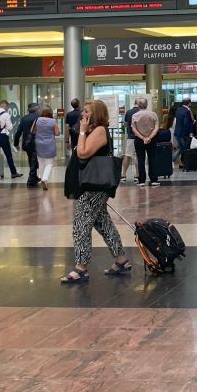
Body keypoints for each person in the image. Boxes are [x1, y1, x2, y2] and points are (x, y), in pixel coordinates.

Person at [60, 100, 131, 284]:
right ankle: (121, 259)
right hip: (92, 184)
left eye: (86, 112)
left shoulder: (99, 130)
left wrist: (82, 131)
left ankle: (81, 268)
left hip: (94, 185)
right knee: (102, 223)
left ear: (96, 114)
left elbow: (83, 153)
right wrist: (82, 130)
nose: (82, 114)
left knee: (81, 224)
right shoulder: (94, 130)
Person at [130, 97, 159, 186]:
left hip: (139, 140)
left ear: (138, 105)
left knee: (140, 159)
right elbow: (156, 127)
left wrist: (143, 138)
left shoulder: (135, 116)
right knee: (153, 159)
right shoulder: (154, 114)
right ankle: (154, 180)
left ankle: (142, 180)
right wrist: (149, 137)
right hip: (152, 139)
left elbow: (134, 129)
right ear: (147, 104)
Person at [12, 102, 40, 187]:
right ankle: (31, 179)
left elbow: (18, 132)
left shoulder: (24, 118)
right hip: (36, 141)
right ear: (36, 108)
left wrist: (16, 143)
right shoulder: (39, 117)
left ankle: (34, 177)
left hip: (27, 143)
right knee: (34, 159)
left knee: (31, 158)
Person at [30, 107, 58, 190]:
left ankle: (41, 177)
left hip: (39, 143)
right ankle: (44, 178)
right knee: (49, 163)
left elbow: (32, 131)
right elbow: (57, 133)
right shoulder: (52, 121)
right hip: (49, 143)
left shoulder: (37, 120)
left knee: (41, 161)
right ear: (50, 114)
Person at [121, 100, 140, 183]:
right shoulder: (141, 112)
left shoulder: (128, 112)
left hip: (131, 136)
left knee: (127, 155)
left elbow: (125, 124)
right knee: (138, 156)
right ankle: (137, 175)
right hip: (140, 137)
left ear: (134, 103)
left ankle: (123, 175)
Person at [173, 98, 195, 168]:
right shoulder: (187, 111)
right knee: (183, 148)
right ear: (189, 103)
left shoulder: (178, 109)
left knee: (181, 148)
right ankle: (173, 159)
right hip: (183, 133)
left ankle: (180, 162)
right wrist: (190, 132)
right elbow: (186, 123)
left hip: (177, 132)